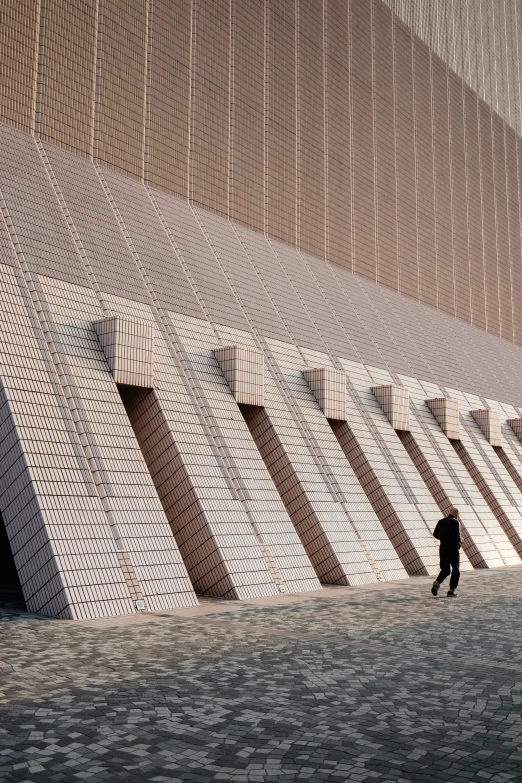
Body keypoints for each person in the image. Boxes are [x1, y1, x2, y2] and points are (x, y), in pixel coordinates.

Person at [431, 506, 462, 597]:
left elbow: (435, 534)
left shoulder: (441, 521)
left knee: (445, 570)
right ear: (456, 514)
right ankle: (451, 591)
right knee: (455, 570)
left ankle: (437, 583)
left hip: (443, 549)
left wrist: (444, 539)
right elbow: (457, 536)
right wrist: (459, 545)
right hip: (453, 549)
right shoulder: (456, 522)